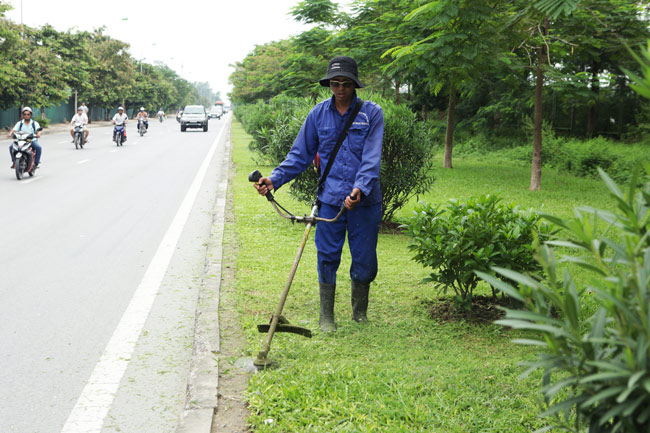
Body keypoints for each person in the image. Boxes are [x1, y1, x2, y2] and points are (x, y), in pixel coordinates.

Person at [254, 56, 384, 332]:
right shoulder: (318, 114)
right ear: (329, 84)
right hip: (330, 199)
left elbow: (372, 158)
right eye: (334, 83)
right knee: (326, 255)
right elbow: (299, 155)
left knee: (364, 260)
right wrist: (274, 179)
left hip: (364, 201)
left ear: (354, 85)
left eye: (345, 84)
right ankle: (327, 316)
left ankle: (359, 312)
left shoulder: (371, 114)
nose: (339, 89)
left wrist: (359, 187)